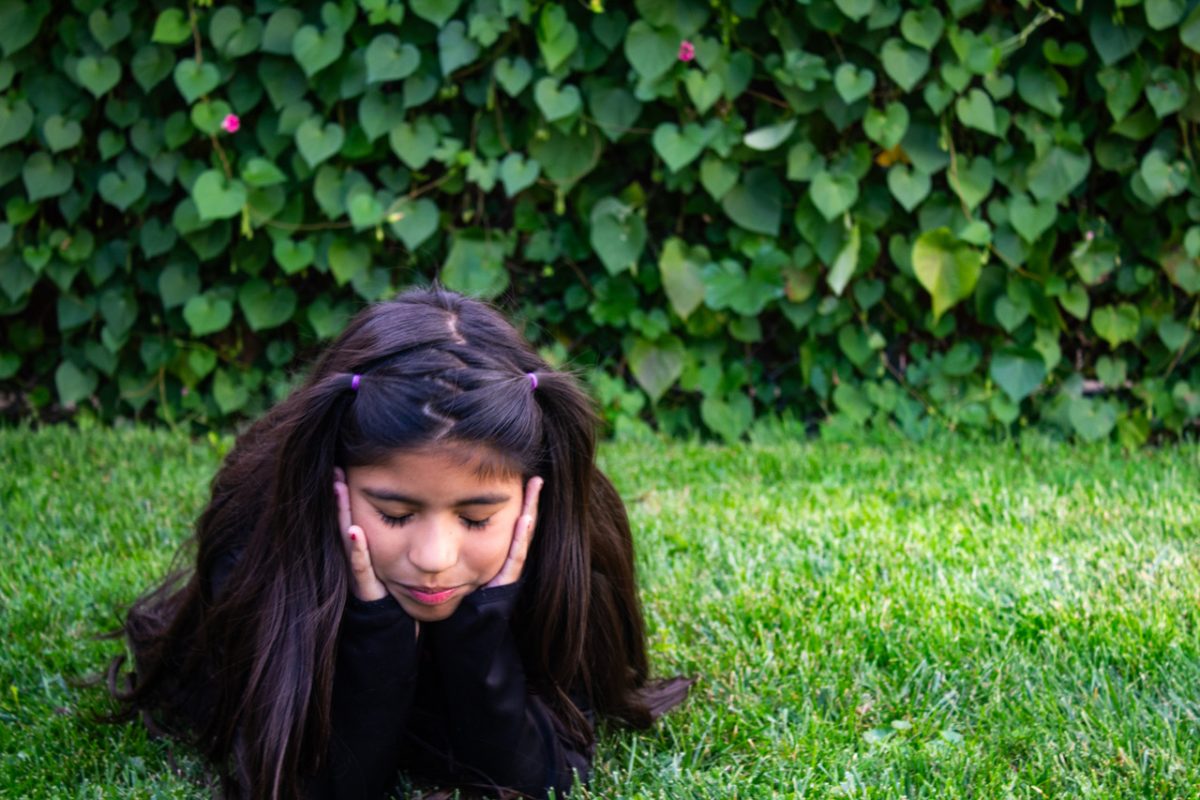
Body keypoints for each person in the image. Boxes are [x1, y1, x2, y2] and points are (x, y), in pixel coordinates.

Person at [105, 286, 692, 799]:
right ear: (333, 481)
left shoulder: (575, 541)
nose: (433, 559)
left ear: (531, 496)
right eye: (394, 513)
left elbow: (547, 777)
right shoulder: (256, 542)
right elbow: (312, 784)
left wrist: (479, 636)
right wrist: (376, 635)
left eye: (476, 519)